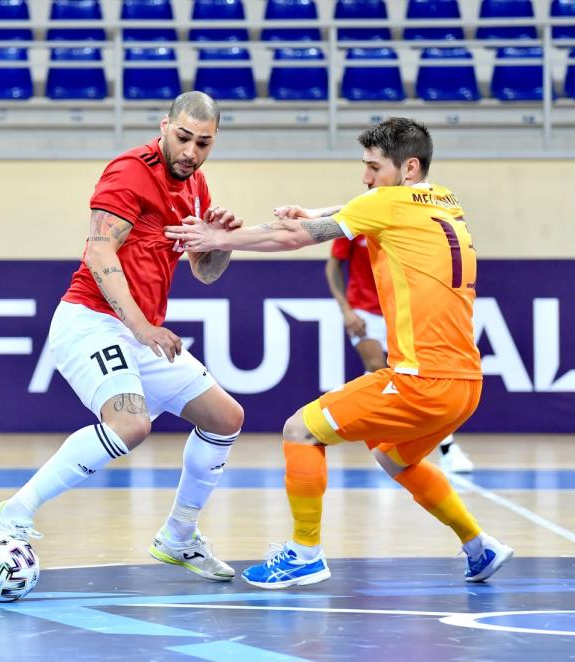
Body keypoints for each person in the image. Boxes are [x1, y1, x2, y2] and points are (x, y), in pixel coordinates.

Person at [165, 117, 513, 589]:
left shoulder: (387, 204)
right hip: (466, 384)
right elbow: (367, 206)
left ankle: (304, 552)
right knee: (394, 458)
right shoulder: (443, 199)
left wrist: (221, 239)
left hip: (420, 379)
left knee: (300, 430)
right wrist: (314, 211)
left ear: (408, 167)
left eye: (374, 167)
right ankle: (479, 546)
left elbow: (291, 237)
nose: (366, 177)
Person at [0, 91, 245, 583]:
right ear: (164, 126)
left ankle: (179, 536)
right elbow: (100, 252)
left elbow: (206, 273)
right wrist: (142, 327)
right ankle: (12, 513)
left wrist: (221, 243)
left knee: (225, 417)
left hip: (137, 332)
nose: (191, 152)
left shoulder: (196, 187)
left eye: (203, 144)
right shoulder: (129, 171)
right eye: (183, 138)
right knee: (130, 424)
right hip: (91, 319)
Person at [324, 234, 475, 474]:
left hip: (404, 311)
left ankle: (447, 450)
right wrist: (346, 310)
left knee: (425, 377)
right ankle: (380, 441)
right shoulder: (357, 221)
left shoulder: (406, 225)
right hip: (364, 310)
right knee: (376, 366)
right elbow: (333, 266)